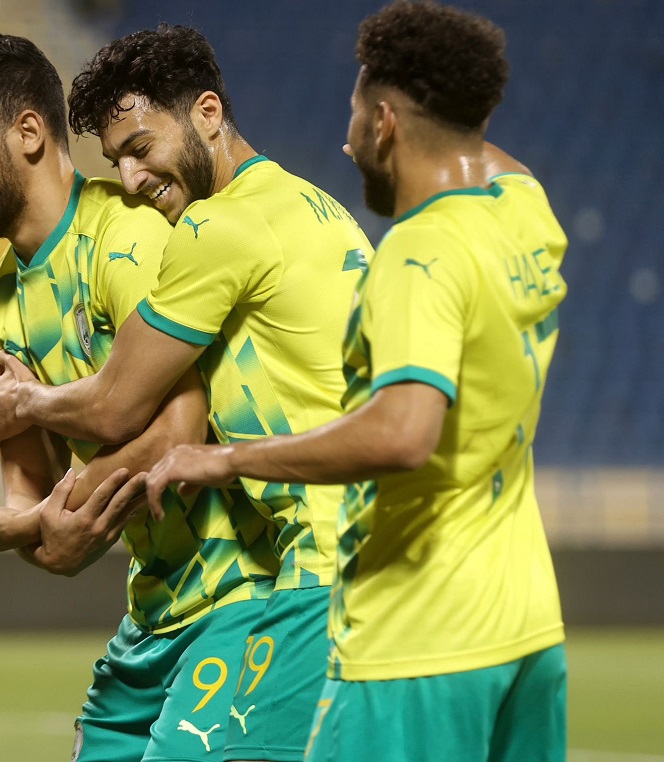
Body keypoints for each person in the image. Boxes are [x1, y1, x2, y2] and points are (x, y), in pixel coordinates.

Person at [145, 3, 569, 761]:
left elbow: (403, 432)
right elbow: (496, 159)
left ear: (384, 124)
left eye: (353, 119)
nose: (344, 143)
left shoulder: (416, 256)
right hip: (528, 629)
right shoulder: (522, 215)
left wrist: (227, 458)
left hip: (416, 639)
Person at [0, 24, 374, 762]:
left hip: (320, 559)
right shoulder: (314, 206)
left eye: (141, 149)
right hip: (362, 549)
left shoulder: (214, 229)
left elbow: (121, 405)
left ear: (209, 115)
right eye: (116, 160)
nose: (130, 181)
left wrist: (26, 404)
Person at [0, 33, 282, 762]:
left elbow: (183, 431)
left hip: (241, 591)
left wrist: (63, 503)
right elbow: (39, 506)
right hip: (154, 607)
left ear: (27, 131)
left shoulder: (130, 237)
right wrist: (29, 526)